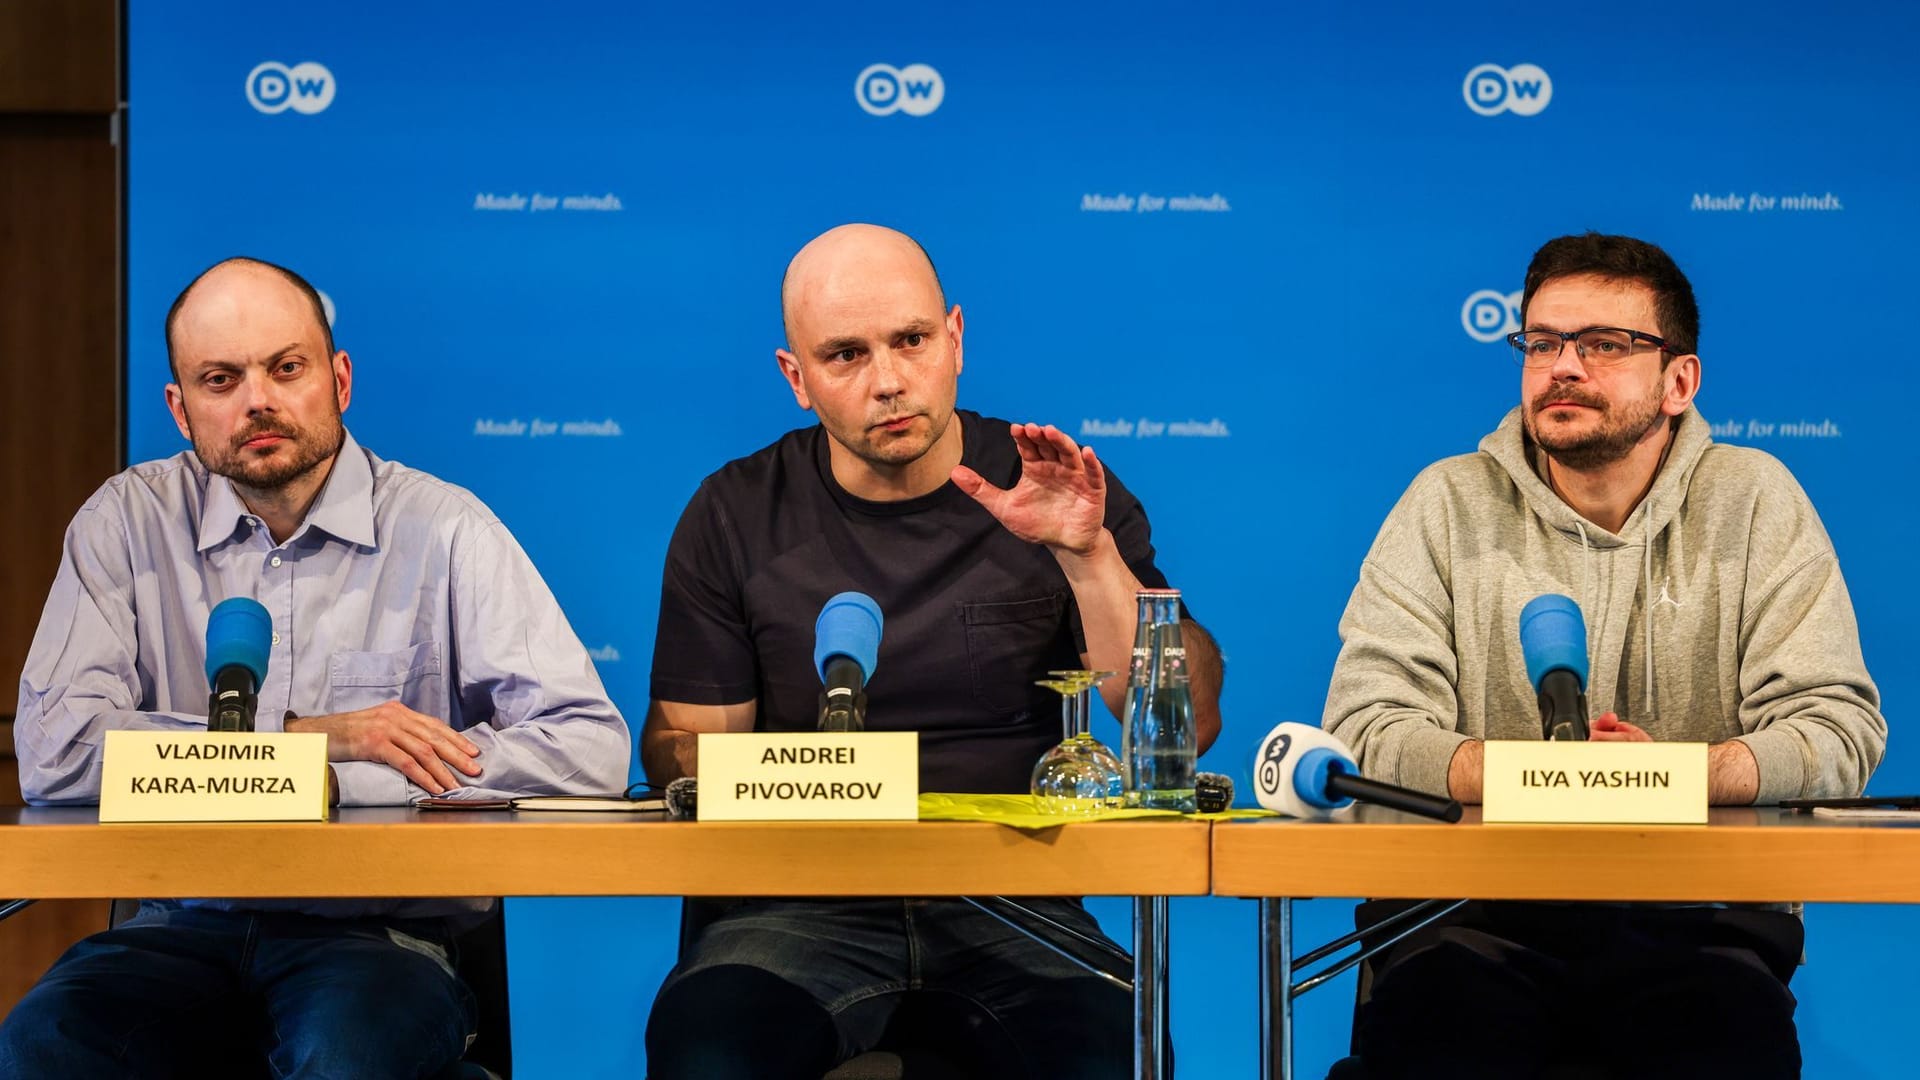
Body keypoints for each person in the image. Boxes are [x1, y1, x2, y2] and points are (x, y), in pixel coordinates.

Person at [2, 257, 630, 1079]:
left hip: (376, 936)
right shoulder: (126, 524)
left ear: (338, 379)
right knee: (45, 1043)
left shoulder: (445, 529)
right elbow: (57, 753)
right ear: (181, 410)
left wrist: (375, 773)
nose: (256, 400)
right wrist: (317, 747)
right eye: (220, 379)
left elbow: (590, 747)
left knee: (344, 1054)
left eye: (285, 368)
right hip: (180, 927)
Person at [640, 223, 1224, 1078]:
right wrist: (771, 779)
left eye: (910, 341)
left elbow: (1190, 725)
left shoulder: (1049, 485)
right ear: (795, 378)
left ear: (955, 337)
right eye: (845, 356)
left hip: (1018, 906)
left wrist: (1088, 555)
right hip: (799, 910)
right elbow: (687, 747)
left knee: (1116, 1051)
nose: (888, 381)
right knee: (712, 1051)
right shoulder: (734, 513)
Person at [1323, 232, 1886, 1079]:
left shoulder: (1755, 500)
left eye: (1604, 345)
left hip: (1700, 923)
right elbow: (1365, 728)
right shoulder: (1446, 503)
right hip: (1466, 918)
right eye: (1542, 342)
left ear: (1678, 381)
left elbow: (1837, 734)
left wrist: (1675, 776)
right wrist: (1535, 775)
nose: (1562, 367)